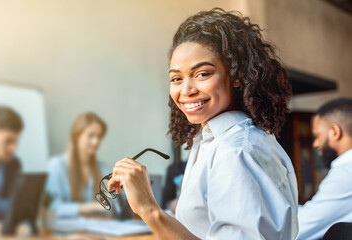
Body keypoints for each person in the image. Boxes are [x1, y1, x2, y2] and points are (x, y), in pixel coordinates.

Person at [107, 8, 298, 239]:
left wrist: (149, 210)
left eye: (202, 74)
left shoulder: (235, 151)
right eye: (176, 78)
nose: (186, 90)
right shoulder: (211, 140)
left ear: (237, 76)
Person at [297, 98, 352, 240]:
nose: (315, 144)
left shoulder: (346, 173)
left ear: (334, 131)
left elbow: (298, 229)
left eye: (317, 136)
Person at [46, 112, 112, 218]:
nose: (96, 142)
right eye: (91, 136)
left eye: (99, 137)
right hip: (65, 231)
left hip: (99, 228)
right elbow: (53, 208)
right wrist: (92, 207)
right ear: (77, 136)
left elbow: (114, 206)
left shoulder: (104, 168)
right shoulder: (56, 165)